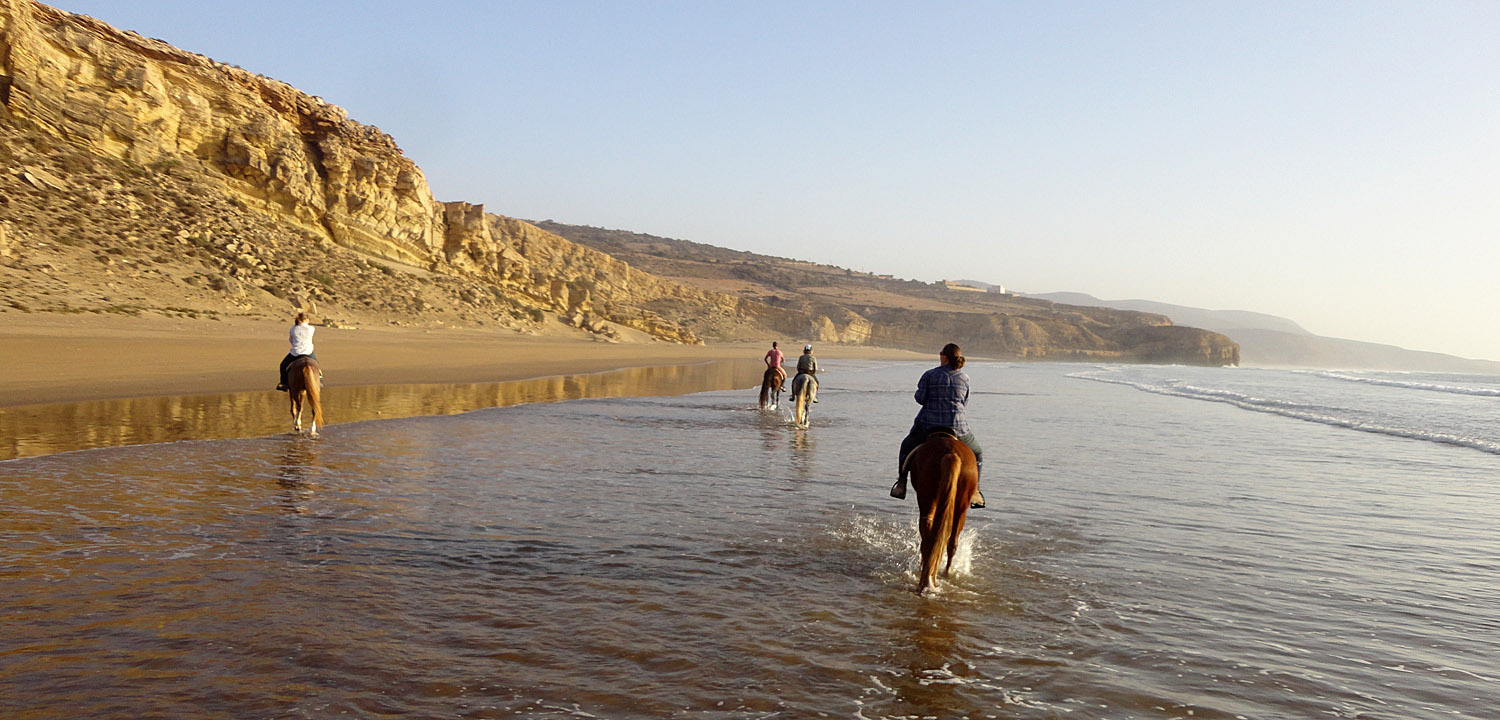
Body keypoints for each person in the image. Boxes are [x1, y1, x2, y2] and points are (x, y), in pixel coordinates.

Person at [890, 342, 985, 508]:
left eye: (940, 353)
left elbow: (920, 399)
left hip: (928, 426)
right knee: (977, 453)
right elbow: (964, 402)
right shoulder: (965, 378)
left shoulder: (929, 375)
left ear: (945, 357)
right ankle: (976, 491)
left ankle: (901, 484)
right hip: (958, 427)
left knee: (906, 446)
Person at [276, 312, 317, 392]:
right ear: (306, 319)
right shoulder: (311, 328)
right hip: (308, 351)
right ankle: (320, 379)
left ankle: (283, 383)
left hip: (295, 352)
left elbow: (291, 340)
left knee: (283, 365)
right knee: (316, 363)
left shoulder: (293, 328)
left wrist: (295, 345)